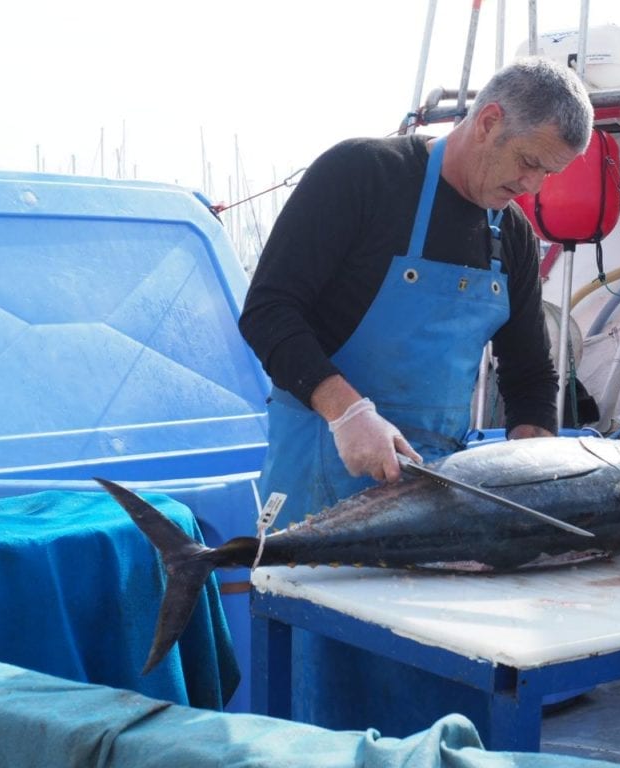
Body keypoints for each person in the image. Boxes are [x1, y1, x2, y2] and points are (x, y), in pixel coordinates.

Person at [239, 56, 593, 528]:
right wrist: (347, 414)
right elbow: (268, 311)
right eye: (529, 162)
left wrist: (537, 477)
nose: (532, 185)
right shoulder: (362, 174)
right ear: (489, 122)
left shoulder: (513, 236)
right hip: (317, 479)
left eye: (549, 173)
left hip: (434, 494)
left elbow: (528, 375)